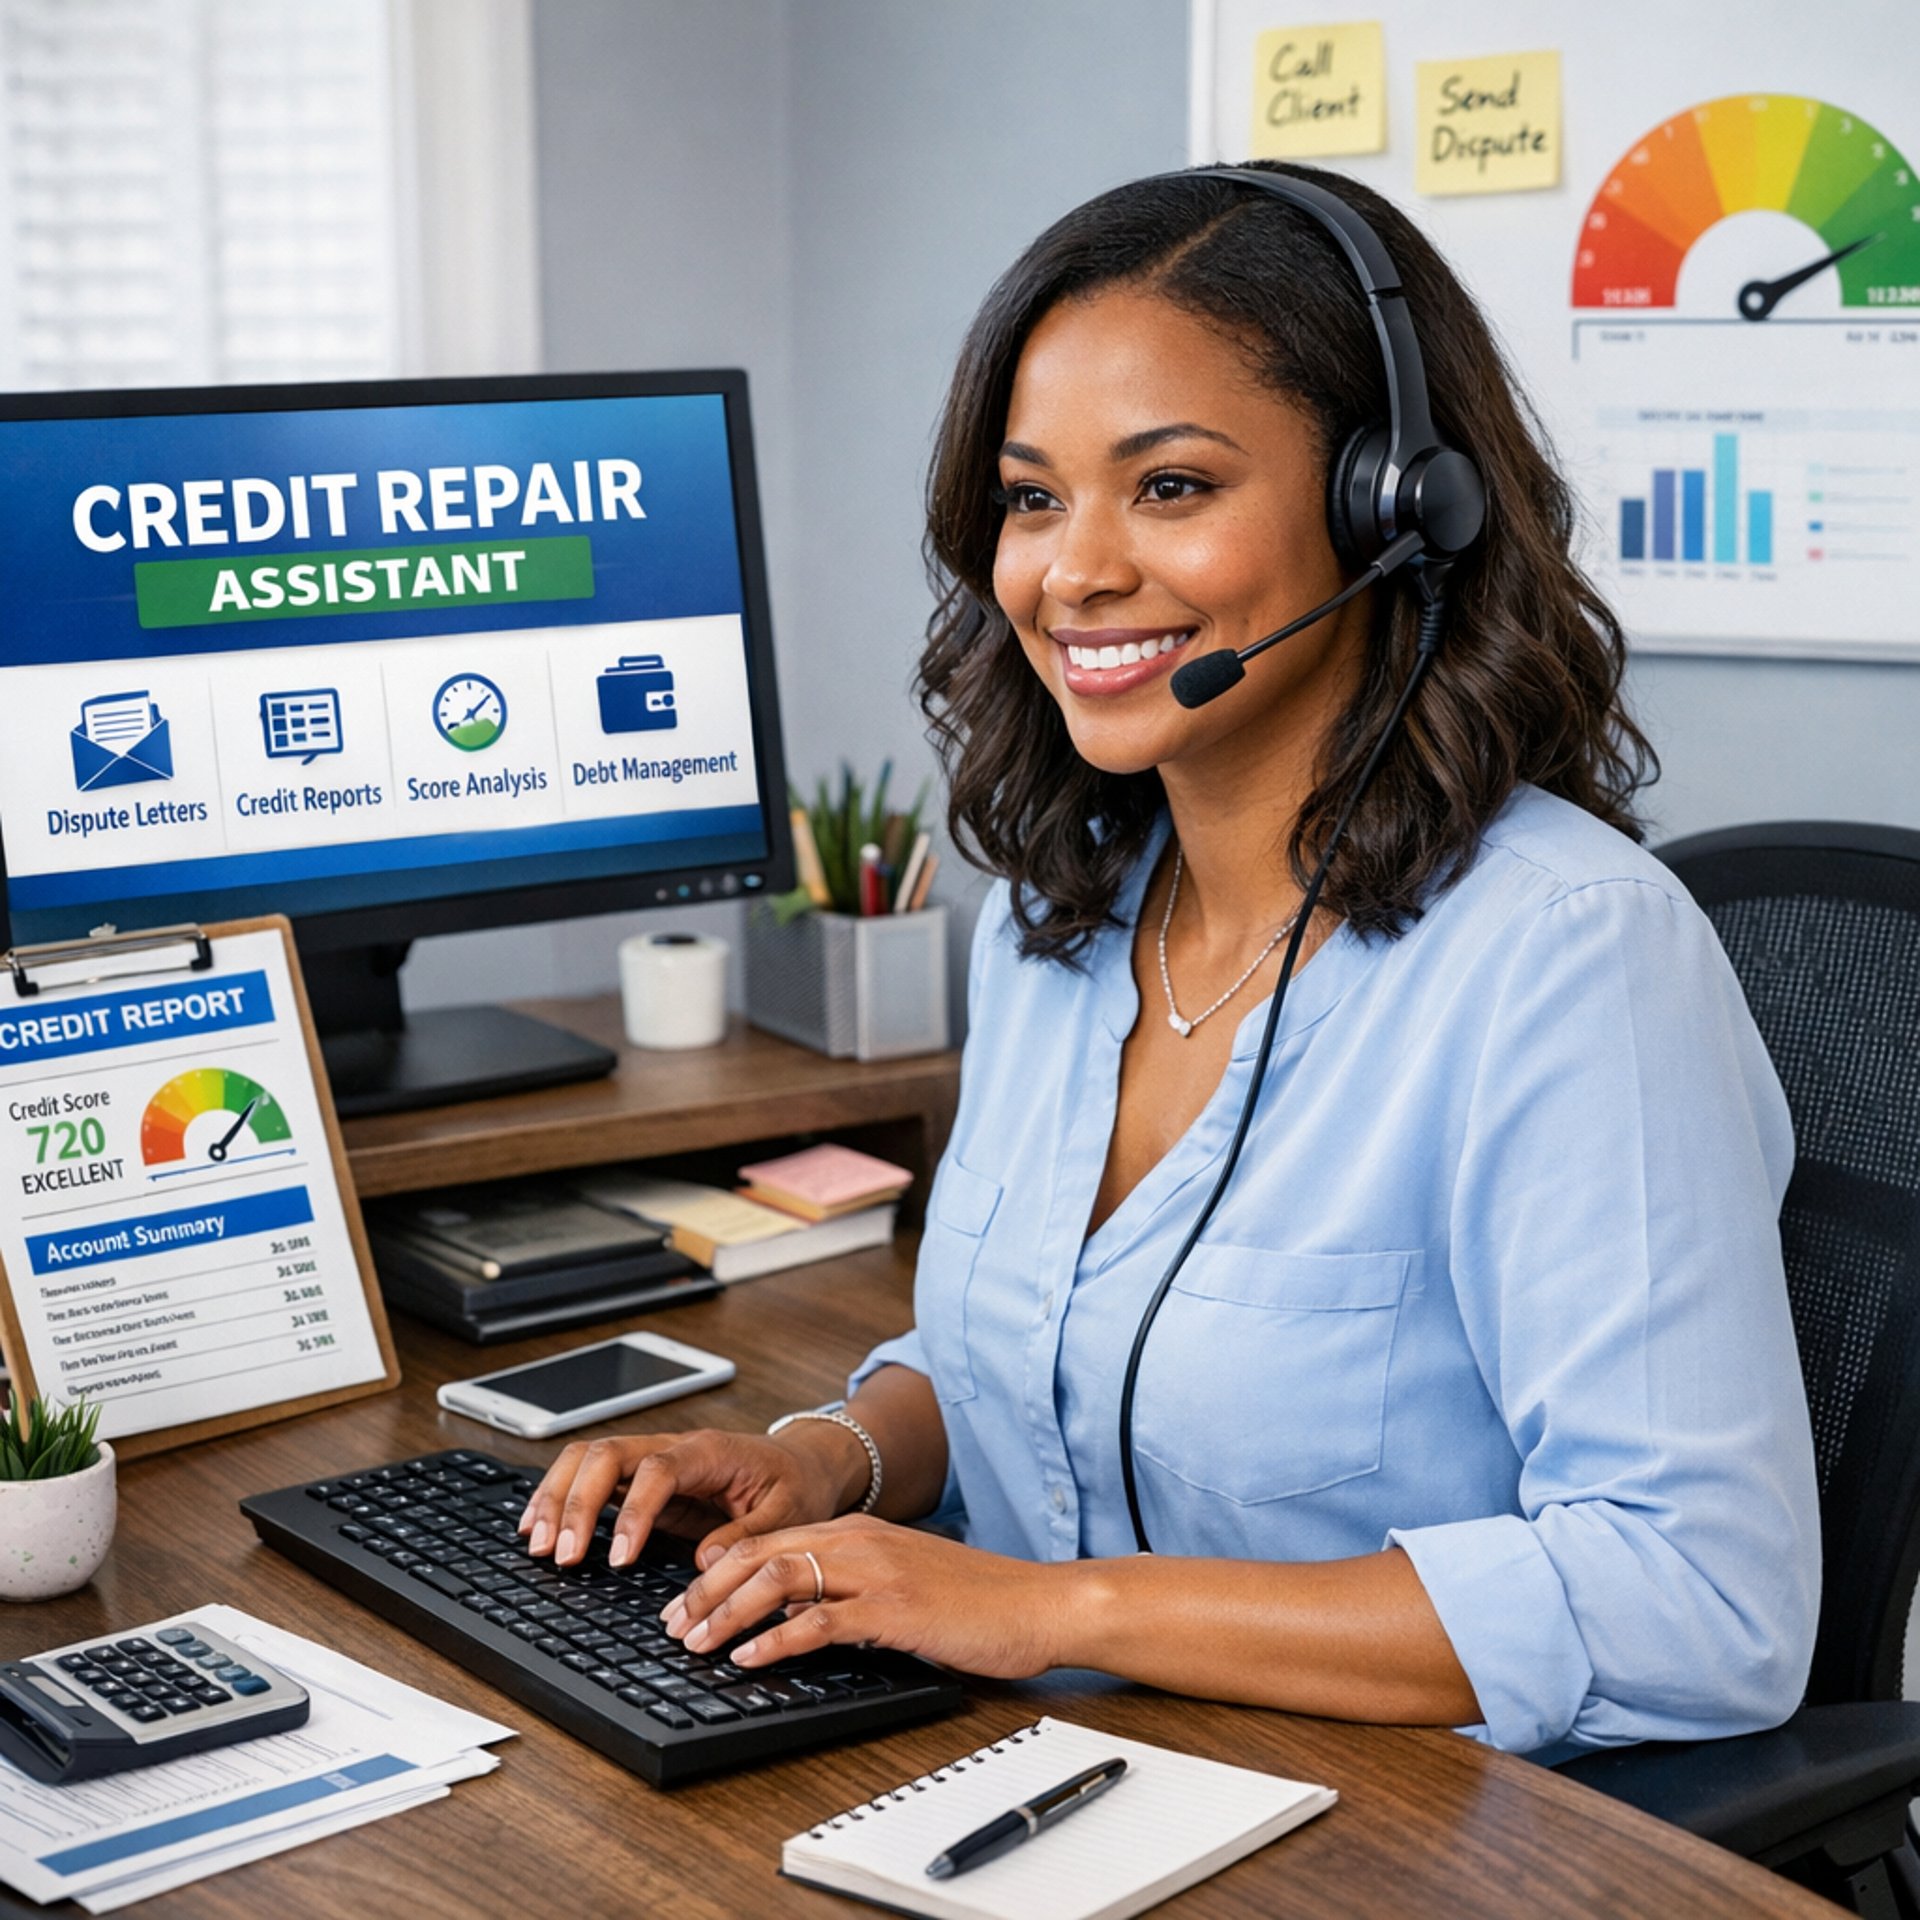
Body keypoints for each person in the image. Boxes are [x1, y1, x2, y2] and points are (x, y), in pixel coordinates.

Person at [521, 162, 1819, 1759]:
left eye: (1173, 486)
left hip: (1408, 1828)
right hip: (1048, 1768)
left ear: (1389, 509)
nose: (1072, 573)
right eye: (1031, 496)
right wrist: (829, 1458)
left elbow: (1698, 1601)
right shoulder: (1059, 915)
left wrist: (1051, 1613)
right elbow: (1033, 1357)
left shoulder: (1568, 961)